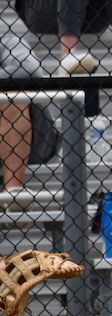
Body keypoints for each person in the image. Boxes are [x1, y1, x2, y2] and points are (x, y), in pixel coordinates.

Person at [1, 36, 59, 212]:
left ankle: (13, 194)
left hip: (35, 139)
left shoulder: (8, 42)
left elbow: (30, 71)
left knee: (12, 90)